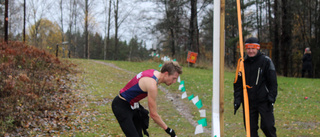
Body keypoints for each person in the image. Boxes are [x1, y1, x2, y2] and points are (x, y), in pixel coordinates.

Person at [111, 61, 182, 137]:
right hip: (121, 106)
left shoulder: (153, 72)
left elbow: (132, 82)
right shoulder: (152, 85)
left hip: (132, 105)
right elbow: (153, 114)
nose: (174, 82)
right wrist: (168, 129)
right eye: (173, 78)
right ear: (166, 73)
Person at [233, 37, 278, 137]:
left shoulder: (266, 61)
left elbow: (273, 82)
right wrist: (237, 100)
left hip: (264, 100)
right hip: (248, 101)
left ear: (258, 48)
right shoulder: (242, 63)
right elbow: (238, 84)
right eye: (248, 48)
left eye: (253, 48)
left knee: (267, 126)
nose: (251, 51)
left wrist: (271, 97)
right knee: (250, 130)